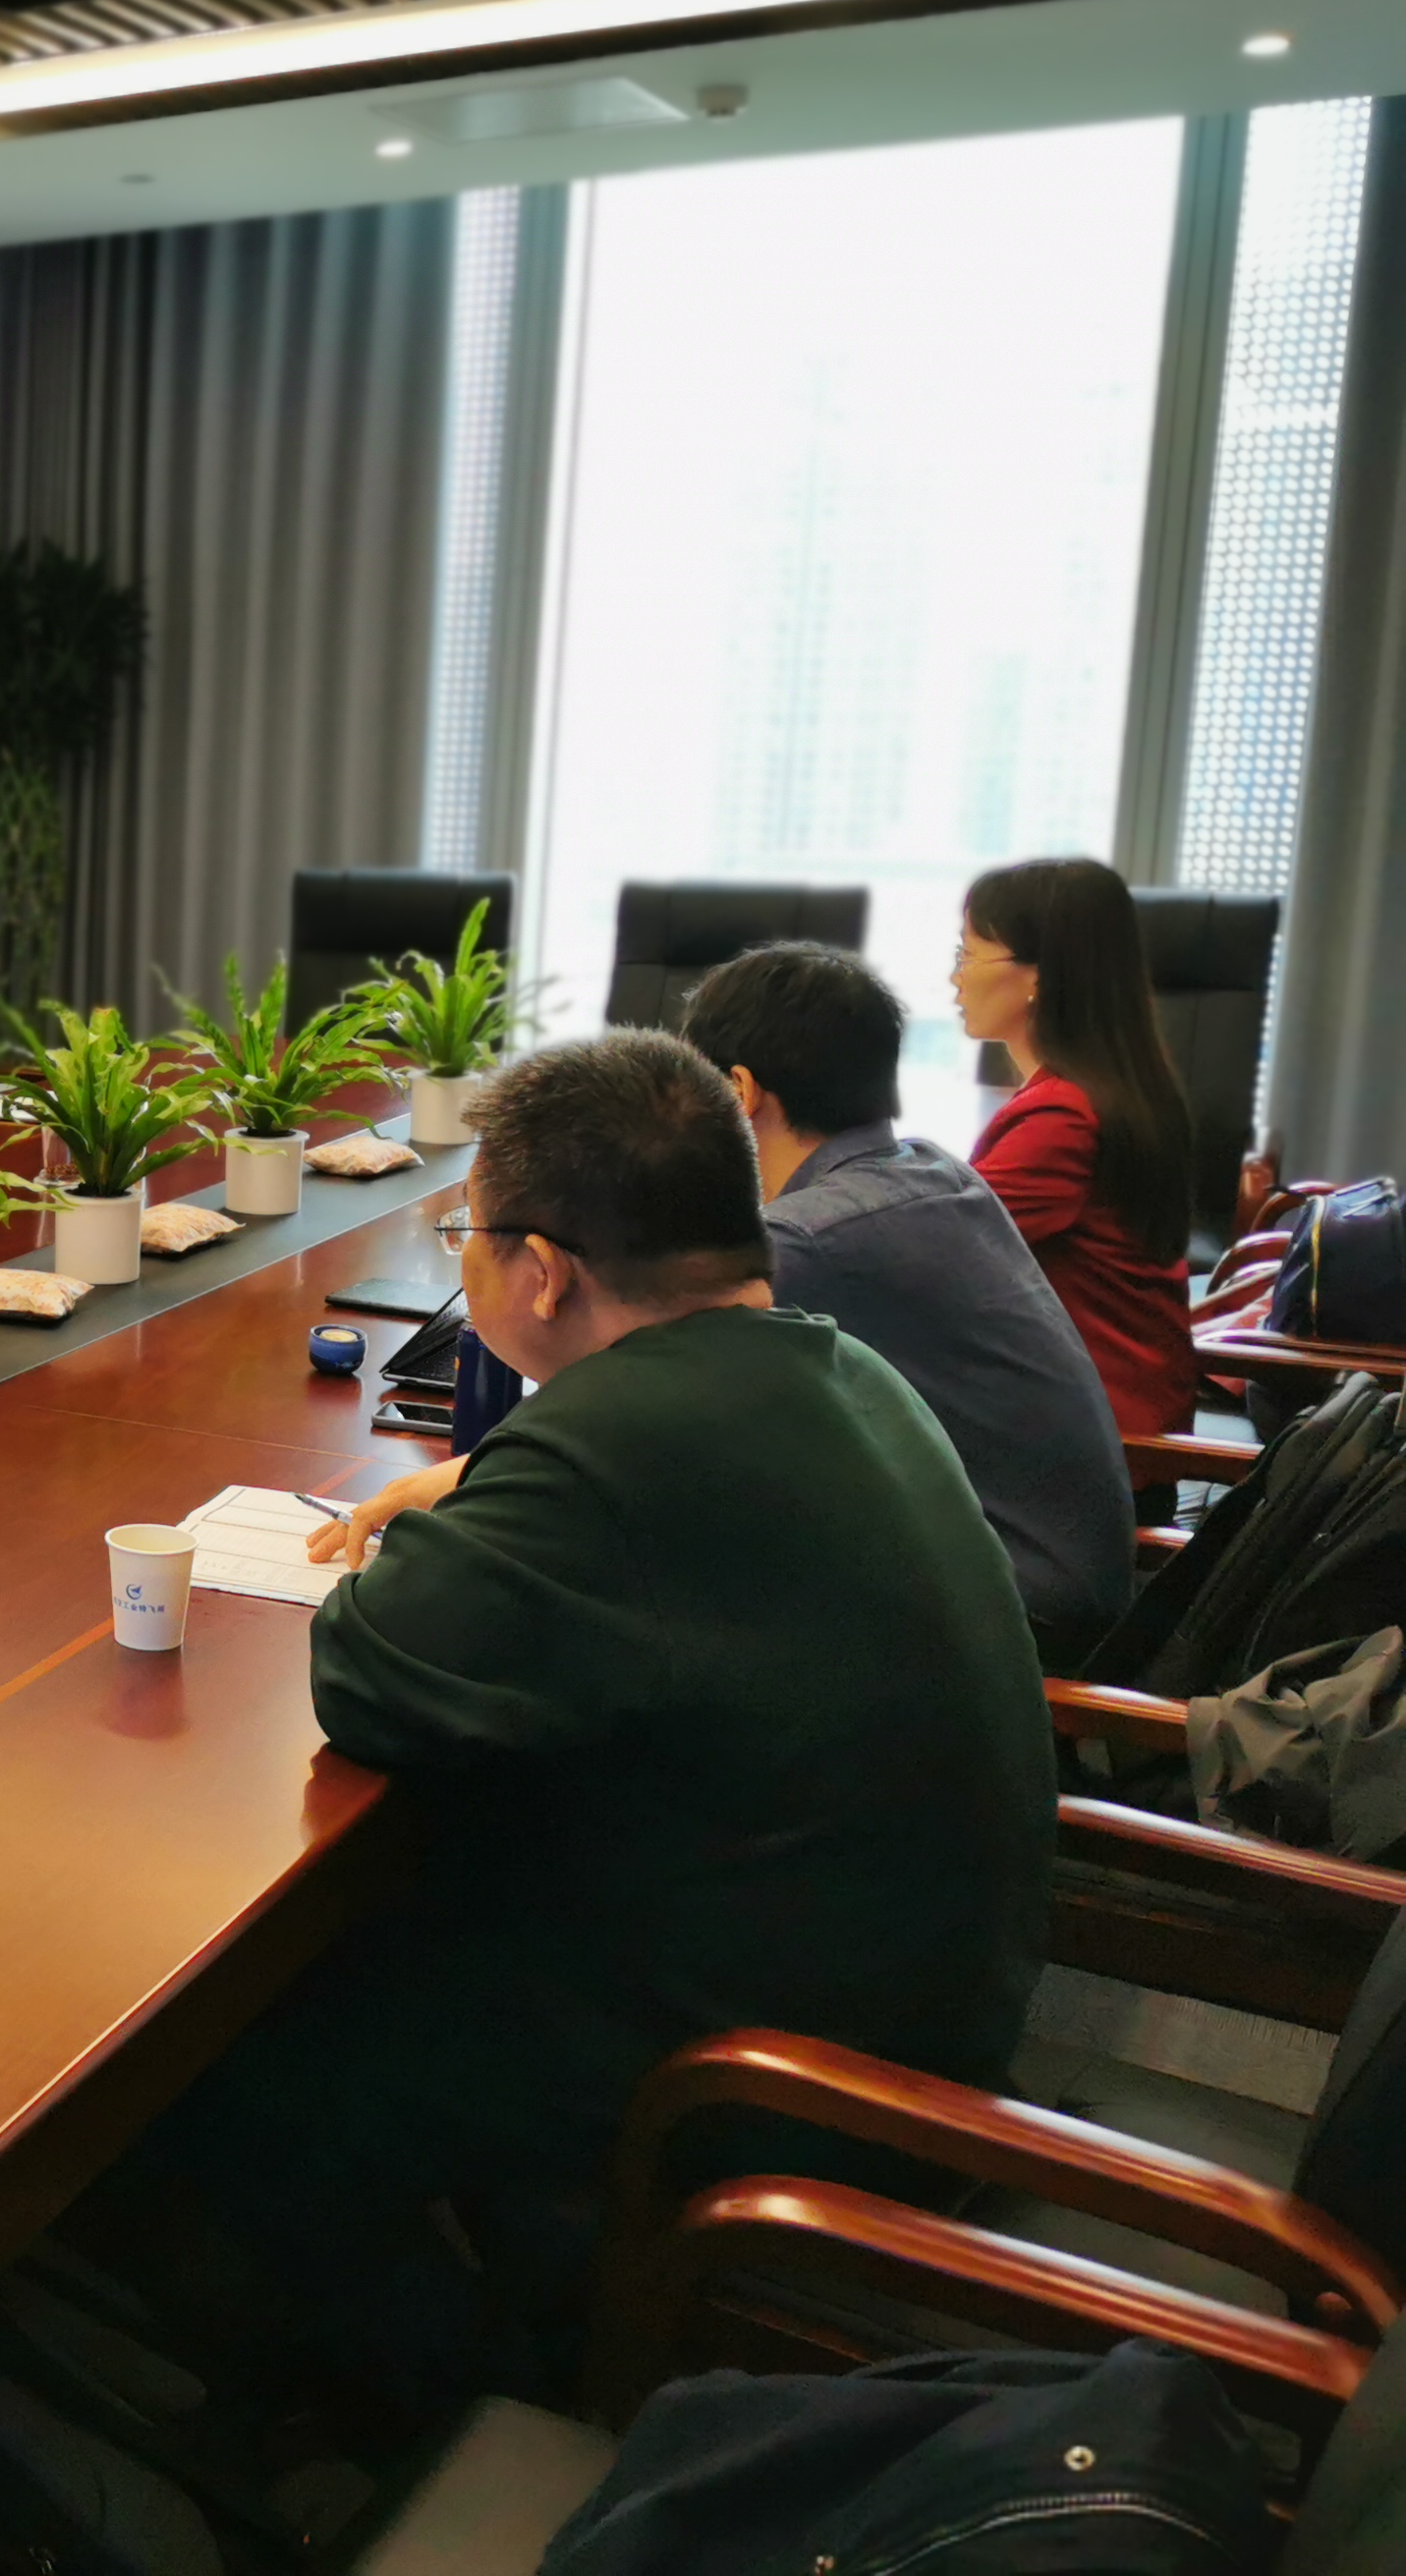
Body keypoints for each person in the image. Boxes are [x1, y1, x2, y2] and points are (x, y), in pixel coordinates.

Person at [134, 1033, 1051, 2407]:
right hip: (920, 2020)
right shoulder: (839, 1369)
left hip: (763, 2097)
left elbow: (369, 1672)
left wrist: (485, 1507)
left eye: (469, 1237)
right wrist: (493, 1489)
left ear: (545, 1272)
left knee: (238, 2043)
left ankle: (407, 2407)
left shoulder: (617, 1447)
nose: (465, 1262)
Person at [684, 941, 1134, 1669]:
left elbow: (646, 1393)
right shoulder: (932, 1170)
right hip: (1069, 1577)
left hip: (1017, 1614)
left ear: (738, 1091)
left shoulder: (805, 1239)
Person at [954, 859, 1198, 1446]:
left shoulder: (1062, 1118)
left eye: (968, 954)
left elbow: (941, 1249)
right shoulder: (1108, 1088)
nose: (955, 978)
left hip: (1089, 1447)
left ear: (1038, 976)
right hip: (1107, 1415)